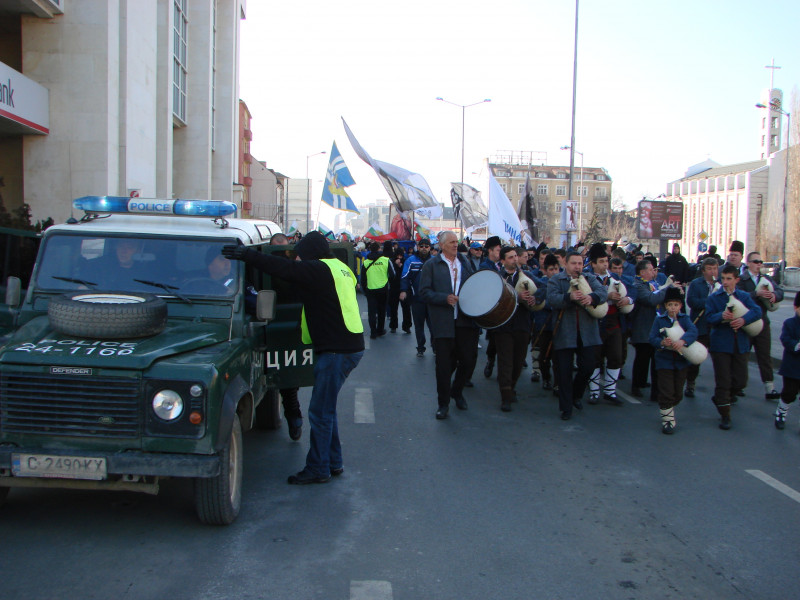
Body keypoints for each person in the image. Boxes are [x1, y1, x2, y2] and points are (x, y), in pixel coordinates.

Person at [221, 231, 364, 484]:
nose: (297, 259)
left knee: (320, 412)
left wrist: (247, 255)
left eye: (300, 254)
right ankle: (333, 462)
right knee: (326, 409)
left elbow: (282, 268)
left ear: (310, 254)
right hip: (349, 346)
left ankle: (318, 468)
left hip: (336, 351)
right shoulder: (341, 268)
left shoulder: (319, 269)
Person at [419, 231, 479, 420]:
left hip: (464, 320)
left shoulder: (465, 262)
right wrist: (444, 298)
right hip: (443, 322)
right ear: (442, 245)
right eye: (452, 242)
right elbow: (424, 292)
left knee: (468, 360)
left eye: (457, 242)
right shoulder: (431, 265)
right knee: (444, 366)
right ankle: (443, 403)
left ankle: (457, 391)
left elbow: (473, 286)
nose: (456, 245)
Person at [546, 251, 607, 420]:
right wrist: (569, 297)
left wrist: (592, 298)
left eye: (580, 263)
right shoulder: (556, 280)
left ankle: (576, 395)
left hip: (587, 332)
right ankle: (566, 408)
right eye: (574, 263)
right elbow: (552, 299)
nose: (577, 267)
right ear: (566, 264)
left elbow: (603, 292)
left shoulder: (589, 278)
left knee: (588, 367)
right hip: (565, 332)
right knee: (564, 372)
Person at [705, 265, 762, 430]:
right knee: (724, 381)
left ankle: (721, 398)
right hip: (721, 344)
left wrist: (744, 320)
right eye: (723, 278)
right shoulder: (715, 298)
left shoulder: (743, 296)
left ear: (737, 280)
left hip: (740, 344)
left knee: (740, 381)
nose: (725, 282)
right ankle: (725, 415)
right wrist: (721, 316)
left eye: (729, 279)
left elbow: (757, 311)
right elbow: (709, 318)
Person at [268, 232, 304, 441]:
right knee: (287, 377)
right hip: (272, 322)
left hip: (286, 323)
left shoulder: (296, 266)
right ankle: (294, 417)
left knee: (288, 377)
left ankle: (294, 417)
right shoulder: (295, 265)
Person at [586, 243, 632, 405]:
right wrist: (607, 295)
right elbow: (587, 295)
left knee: (616, 356)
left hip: (613, 322)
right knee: (595, 358)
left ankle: (610, 391)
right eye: (601, 261)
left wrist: (627, 299)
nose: (605, 264)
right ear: (593, 263)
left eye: (606, 260)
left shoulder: (616, 278)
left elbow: (633, 291)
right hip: (594, 322)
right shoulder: (587, 278)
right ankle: (594, 391)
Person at [648, 287, 698, 434]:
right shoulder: (659, 320)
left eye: (676, 305)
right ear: (665, 306)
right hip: (664, 360)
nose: (673, 308)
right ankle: (668, 421)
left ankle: (668, 407)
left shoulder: (685, 319)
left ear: (680, 306)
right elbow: (652, 338)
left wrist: (683, 341)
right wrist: (662, 343)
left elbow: (693, 332)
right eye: (670, 305)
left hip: (681, 361)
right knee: (666, 391)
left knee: (677, 393)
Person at [493, 246, 535, 412]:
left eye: (515, 256)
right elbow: (495, 296)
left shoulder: (527, 276)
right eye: (510, 257)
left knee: (518, 361)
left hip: (522, 324)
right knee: (505, 362)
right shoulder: (497, 277)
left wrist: (533, 298)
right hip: (503, 325)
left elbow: (542, 290)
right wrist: (517, 297)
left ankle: (511, 387)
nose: (515, 260)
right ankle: (505, 396)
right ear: (502, 261)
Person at [738, 251, 784, 400]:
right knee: (743, 355)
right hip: (747, 322)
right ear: (749, 263)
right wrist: (755, 294)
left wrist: (774, 295)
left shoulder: (766, 278)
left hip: (763, 322)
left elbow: (779, 291)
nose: (759, 264)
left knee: (764, 355)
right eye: (756, 261)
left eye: (760, 262)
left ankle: (769, 388)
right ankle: (739, 386)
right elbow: (737, 296)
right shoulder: (742, 279)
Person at [630, 259, 671, 399]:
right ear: (642, 272)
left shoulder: (653, 284)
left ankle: (656, 390)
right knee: (642, 358)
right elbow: (651, 299)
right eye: (650, 269)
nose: (654, 272)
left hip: (656, 327)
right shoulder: (637, 284)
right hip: (643, 327)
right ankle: (637, 385)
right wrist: (666, 288)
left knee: (657, 359)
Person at [684, 257, 719, 398]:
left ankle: (723, 388)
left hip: (716, 326)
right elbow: (692, 302)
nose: (712, 272)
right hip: (701, 325)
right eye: (709, 269)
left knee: (719, 358)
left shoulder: (720, 284)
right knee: (696, 357)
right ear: (704, 270)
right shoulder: (696, 284)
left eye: (715, 268)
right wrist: (710, 300)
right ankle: (690, 383)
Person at [400, 238, 434, 357]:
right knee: (419, 326)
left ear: (430, 248)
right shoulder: (410, 261)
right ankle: (420, 347)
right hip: (417, 299)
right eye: (422, 246)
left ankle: (435, 346)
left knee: (433, 326)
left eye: (426, 246)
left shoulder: (434, 261)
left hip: (432, 300)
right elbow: (405, 276)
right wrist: (403, 290)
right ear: (418, 247)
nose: (424, 248)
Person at [530, 254, 559, 390]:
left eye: (556, 269)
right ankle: (546, 377)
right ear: (546, 270)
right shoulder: (541, 283)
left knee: (558, 355)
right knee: (544, 354)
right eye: (551, 269)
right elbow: (538, 301)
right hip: (544, 324)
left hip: (558, 324)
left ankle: (558, 382)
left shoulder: (562, 283)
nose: (554, 272)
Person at [773, 292, 800, 430]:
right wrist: (797, 345)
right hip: (792, 366)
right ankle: (781, 412)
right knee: (789, 392)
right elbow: (785, 339)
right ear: (796, 308)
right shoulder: (790, 323)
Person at [480, 236, 503, 378]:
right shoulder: (485, 266)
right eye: (498, 250)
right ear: (490, 250)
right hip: (493, 307)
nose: (500, 253)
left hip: (503, 306)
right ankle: (491, 360)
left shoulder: (502, 265)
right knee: (495, 338)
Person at [361, 242, 393, 339]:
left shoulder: (366, 262)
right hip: (383, 289)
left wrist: (365, 290)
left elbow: (363, 279)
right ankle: (380, 330)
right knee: (381, 311)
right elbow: (393, 275)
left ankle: (373, 332)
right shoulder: (386, 260)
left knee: (372, 312)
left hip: (370, 289)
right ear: (379, 249)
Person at [387, 248, 412, 334]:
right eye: (398, 256)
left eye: (401, 256)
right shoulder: (391, 262)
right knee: (393, 308)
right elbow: (389, 274)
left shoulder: (406, 262)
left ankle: (407, 326)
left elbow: (407, 274)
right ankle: (393, 326)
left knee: (406, 308)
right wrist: (395, 265)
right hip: (394, 288)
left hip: (404, 288)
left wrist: (401, 267)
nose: (399, 258)